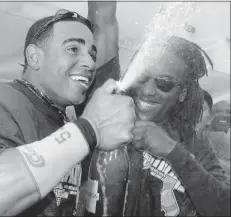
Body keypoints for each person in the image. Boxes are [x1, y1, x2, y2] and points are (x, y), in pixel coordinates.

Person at [0, 2, 136, 216]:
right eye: (73, 49)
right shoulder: (0, 101)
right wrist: (88, 129)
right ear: (34, 57)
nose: (90, 64)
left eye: (92, 54)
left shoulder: (61, 119)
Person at [85, 36, 230, 216]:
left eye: (164, 84)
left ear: (182, 93)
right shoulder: (107, 116)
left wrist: (173, 151)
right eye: (142, 77)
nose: (148, 91)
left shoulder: (194, 142)